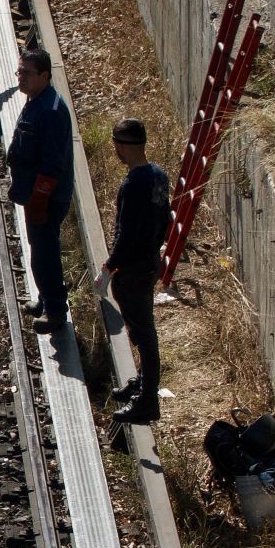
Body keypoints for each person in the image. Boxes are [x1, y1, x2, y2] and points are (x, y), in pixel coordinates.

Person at [95, 119, 172, 424]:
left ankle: (147, 402)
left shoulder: (132, 184)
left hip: (132, 270)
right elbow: (164, 220)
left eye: (116, 145)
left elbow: (125, 233)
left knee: (143, 335)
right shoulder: (158, 176)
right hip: (149, 262)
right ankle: (143, 383)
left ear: (122, 146)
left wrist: (109, 267)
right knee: (145, 330)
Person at [7, 50, 74, 333]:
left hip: (45, 198)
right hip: (34, 195)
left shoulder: (50, 111)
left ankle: (56, 311)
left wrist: (39, 199)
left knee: (45, 253)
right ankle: (45, 298)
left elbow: (52, 164)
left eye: (26, 73)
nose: (20, 77)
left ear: (44, 76)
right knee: (39, 249)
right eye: (19, 72)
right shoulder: (37, 100)